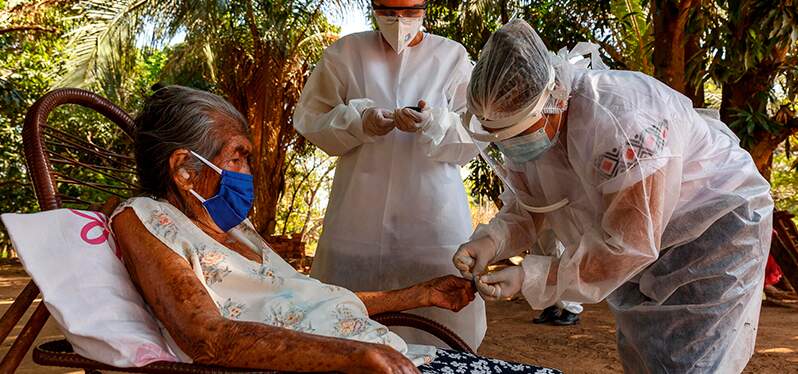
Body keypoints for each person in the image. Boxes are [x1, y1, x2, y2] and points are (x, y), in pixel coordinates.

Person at [111, 85, 555, 374]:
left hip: (378, 356)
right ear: (185, 170)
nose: (247, 171)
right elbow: (206, 337)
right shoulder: (145, 219)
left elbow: (303, 301)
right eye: (236, 157)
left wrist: (419, 295)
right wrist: (350, 357)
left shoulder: (236, 228)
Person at [453, 19, 773, 373]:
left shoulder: (623, 118)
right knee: (646, 354)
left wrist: (533, 277)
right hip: (642, 242)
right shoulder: (530, 130)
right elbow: (531, 206)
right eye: (501, 137)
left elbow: (630, 245)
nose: (513, 146)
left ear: (552, 99)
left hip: (713, 229)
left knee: (689, 363)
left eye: (518, 133)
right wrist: (493, 241)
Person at [292, 0, 486, 350]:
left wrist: (435, 124)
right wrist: (357, 122)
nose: (400, 22)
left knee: (439, 328)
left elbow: (475, 134)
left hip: (432, 220)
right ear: (374, 8)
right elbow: (310, 118)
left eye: (410, 11)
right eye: (389, 11)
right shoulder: (346, 53)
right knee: (346, 329)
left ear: (425, 8)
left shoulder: (451, 56)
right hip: (357, 219)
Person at [529, 230, 581, 326]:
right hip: (536, 220)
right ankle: (549, 307)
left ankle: (572, 310)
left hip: (553, 220)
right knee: (538, 258)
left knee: (557, 257)